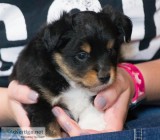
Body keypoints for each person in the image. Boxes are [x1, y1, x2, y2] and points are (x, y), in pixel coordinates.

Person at [0, 0, 160, 139]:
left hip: (145, 112)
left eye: (110, 51)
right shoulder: (40, 73)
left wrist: (134, 81)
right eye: (82, 55)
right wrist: (10, 106)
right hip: (13, 125)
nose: (104, 72)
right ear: (55, 48)